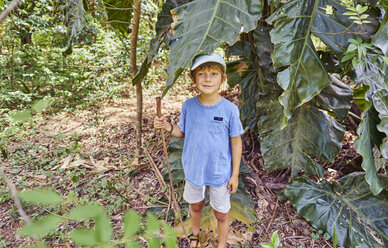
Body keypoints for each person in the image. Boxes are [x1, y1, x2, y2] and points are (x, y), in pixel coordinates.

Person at [154, 52, 244, 248]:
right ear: (193, 78)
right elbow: (182, 131)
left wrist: (235, 174)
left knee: (221, 213)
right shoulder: (188, 106)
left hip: (220, 172)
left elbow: (236, 142)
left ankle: (221, 243)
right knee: (195, 206)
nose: (208, 79)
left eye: (213, 73)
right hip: (194, 169)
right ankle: (195, 234)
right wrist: (168, 127)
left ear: (223, 78)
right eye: (201, 74)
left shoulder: (229, 110)